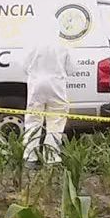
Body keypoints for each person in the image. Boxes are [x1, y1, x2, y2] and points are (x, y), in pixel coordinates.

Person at [22, 14, 75, 169]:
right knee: (56, 122)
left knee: (33, 121)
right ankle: (51, 157)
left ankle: (30, 158)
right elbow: (72, 68)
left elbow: (23, 66)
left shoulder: (32, 44)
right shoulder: (63, 45)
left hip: (36, 86)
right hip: (56, 86)